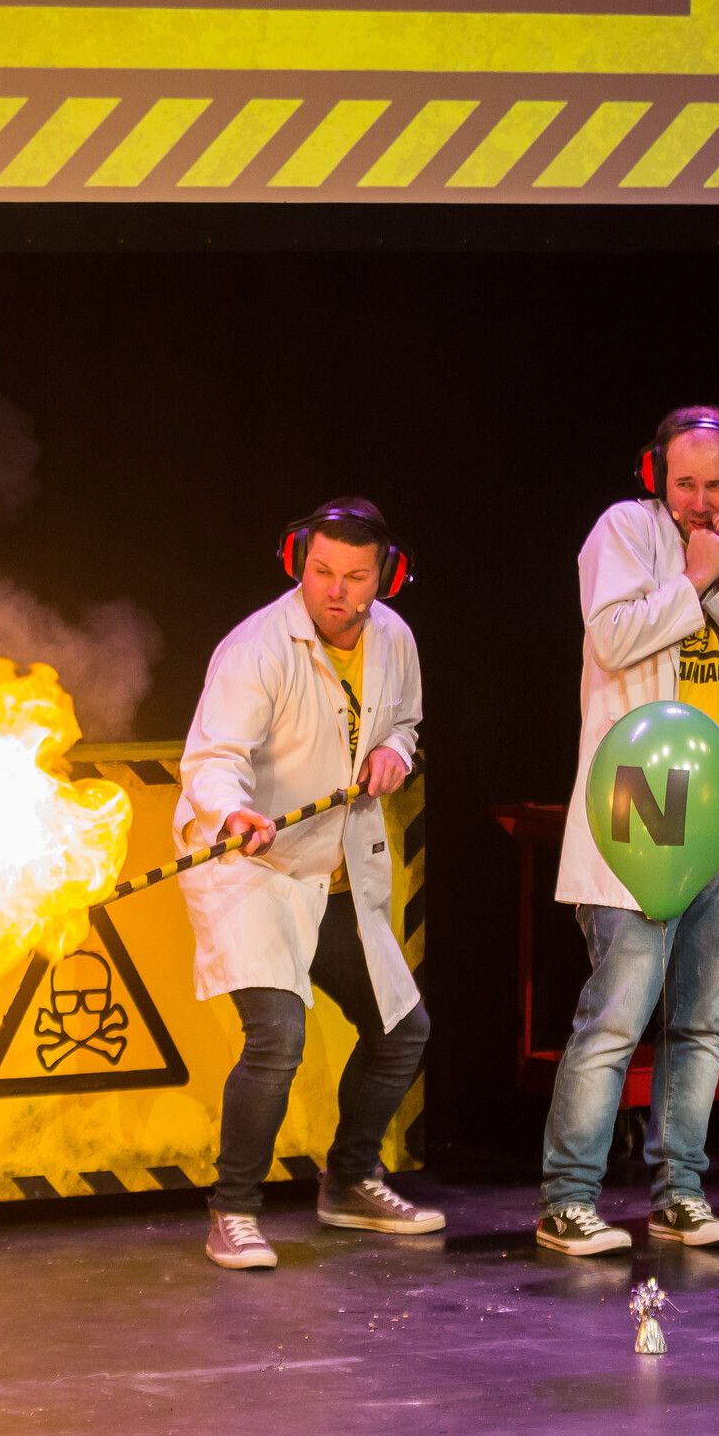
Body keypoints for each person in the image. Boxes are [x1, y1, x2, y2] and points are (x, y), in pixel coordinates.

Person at [536, 408, 719, 1255]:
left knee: (700, 1021)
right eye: (684, 483)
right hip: (637, 803)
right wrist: (693, 581)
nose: (700, 502)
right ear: (654, 476)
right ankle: (567, 1198)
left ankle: (680, 1192)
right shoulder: (623, 532)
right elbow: (612, 638)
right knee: (616, 1014)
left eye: (717, 485)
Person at [176, 498, 438, 1270]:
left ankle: (350, 1181)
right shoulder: (256, 647)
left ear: (386, 576)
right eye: (321, 571)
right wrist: (232, 811)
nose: (334, 590)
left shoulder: (394, 639)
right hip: (251, 867)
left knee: (401, 1031)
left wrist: (394, 752)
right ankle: (233, 1210)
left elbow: (404, 724)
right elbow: (214, 756)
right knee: (278, 1039)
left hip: (333, 873)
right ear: (299, 562)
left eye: (354, 576)